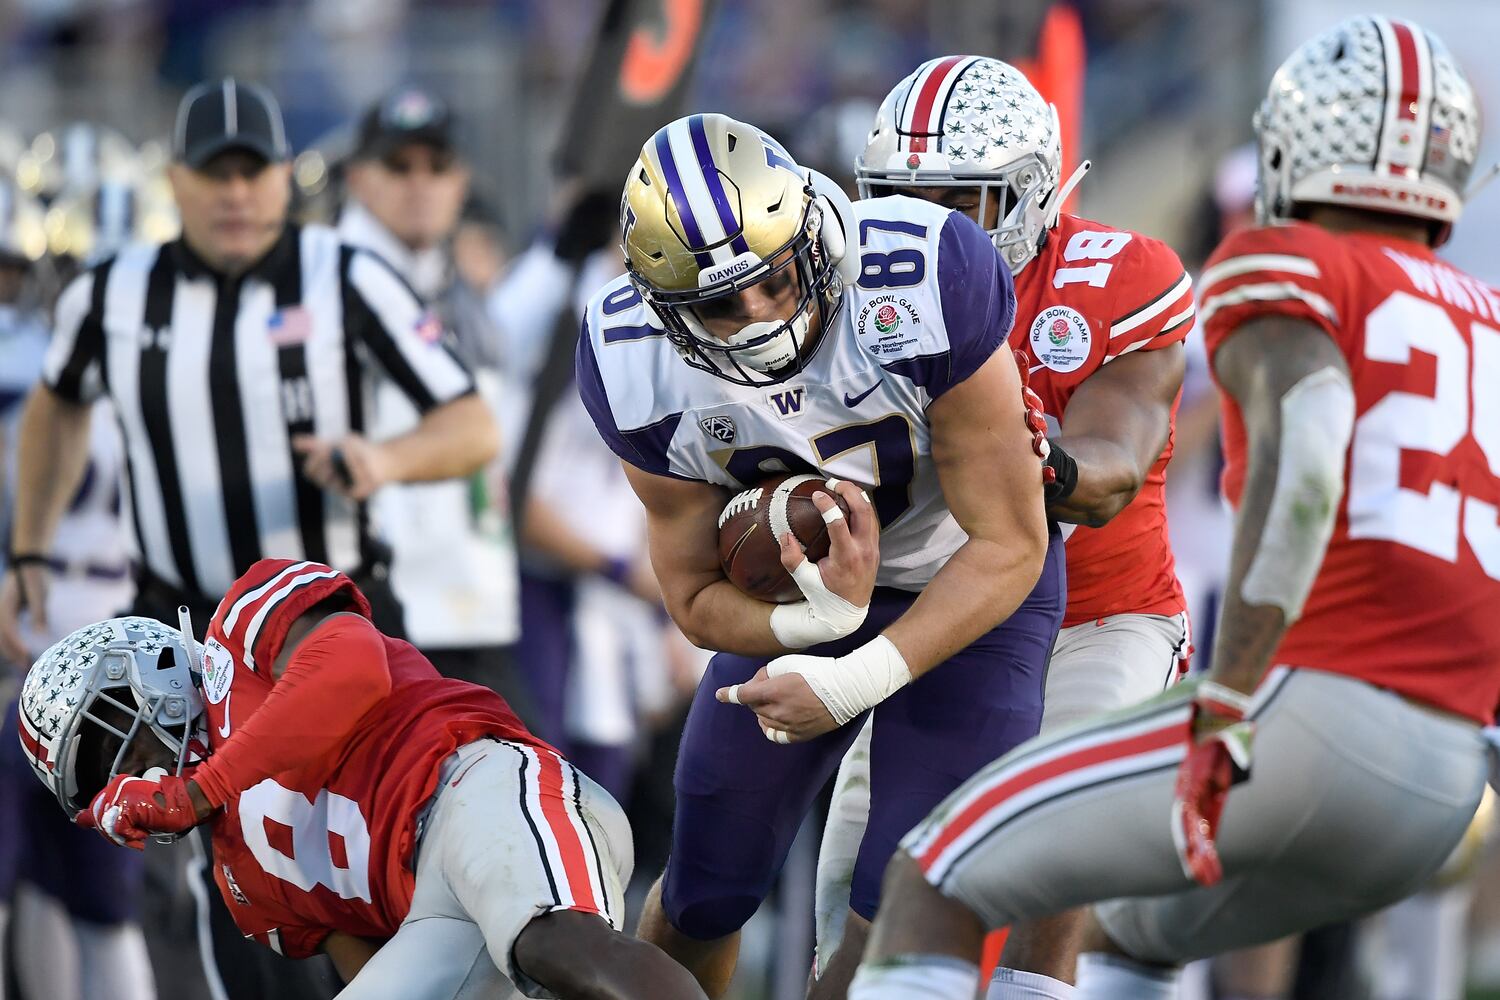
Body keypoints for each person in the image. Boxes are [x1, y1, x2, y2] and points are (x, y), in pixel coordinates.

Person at [851, 16, 1500, 1000]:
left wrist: (1231, 698)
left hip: (1309, 708)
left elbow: (1310, 455)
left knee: (934, 871)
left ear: (1288, 146)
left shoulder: (1285, 262)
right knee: (1136, 932)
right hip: (1454, 766)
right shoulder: (1486, 313)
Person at [0, 77, 498, 1000]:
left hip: (324, 627)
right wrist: (28, 545)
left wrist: (382, 460)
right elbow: (55, 405)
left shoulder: (346, 274)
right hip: (177, 638)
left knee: (370, 853)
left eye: (253, 172)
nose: (236, 194)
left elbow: (472, 425)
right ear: (176, 183)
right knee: (230, 886)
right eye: (213, 174)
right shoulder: (115, 292)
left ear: (283, 179)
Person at [575, 113, 1064, 998]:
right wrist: (804, 622)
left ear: (812, 230)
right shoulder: (628, 362)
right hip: (803, 599)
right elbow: (690, 597)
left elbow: (1011, 540)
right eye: (720, 304)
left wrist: (852, 675)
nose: (758, 314)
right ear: (661, 305)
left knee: (903, 912)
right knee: (704, 886)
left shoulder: (927, 276)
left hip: (967, 584)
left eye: (773, 278)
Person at [812, 56, 1193, 998]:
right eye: (901, 199)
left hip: (1102, 616)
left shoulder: (1115, 277)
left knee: (1057, 838)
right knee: (861, 906)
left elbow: (1111, 467)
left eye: (955, 201)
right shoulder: (855, 291)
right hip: (946, 622)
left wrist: (1033, 463)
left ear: (1025, 196)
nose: (926, 227)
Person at [15, 558, 708, 1000]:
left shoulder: (242, 630)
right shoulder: (244, 881)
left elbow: (353, 667)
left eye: (119, 752)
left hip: (476, 785)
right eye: (106, 785)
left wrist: (199, 788)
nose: (132, 781)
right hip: (436, 914)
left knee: (552, 941)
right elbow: (369, 961)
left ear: (148, 675)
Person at [0, 176, 156, 1000]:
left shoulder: (31, 362)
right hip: (120, 635)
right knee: (86, 890)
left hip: (50, 624)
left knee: (81, 888)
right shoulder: (174, 368)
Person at [338, 85, 523, 698]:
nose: (420, 184)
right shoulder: (330, 283)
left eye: (437, 167)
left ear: (461, 180)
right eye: (399, 166)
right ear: (360, 178)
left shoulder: (456, 286)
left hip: (474, 597)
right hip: (389, 608)